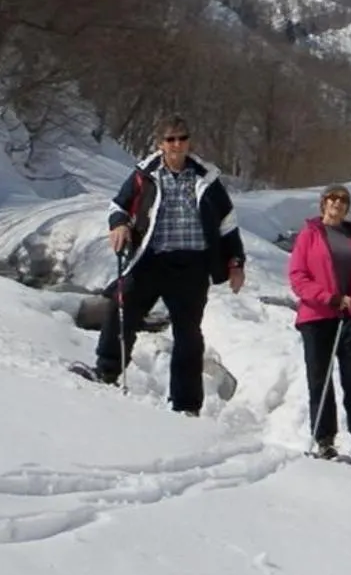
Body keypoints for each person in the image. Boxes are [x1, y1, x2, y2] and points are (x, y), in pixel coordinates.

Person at [93, 116, 245, 414]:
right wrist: (120, 224)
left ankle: (186, 405)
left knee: (188, 333)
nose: (177, 145)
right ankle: (106, 372)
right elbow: (118, 206)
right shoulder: (145, 174)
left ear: (189, 142)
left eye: (182, 138)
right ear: (160, 143)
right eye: (171, 139)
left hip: (192, 265)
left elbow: (228, 224)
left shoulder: (207, 178)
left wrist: (236, 263)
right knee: (121, 306)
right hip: (150, 258)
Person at [285, 185, 351, 461]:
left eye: (343, 200)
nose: (337, 203)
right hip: (317, 316)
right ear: (323, 204)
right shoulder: (309, 234)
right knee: (320, 380)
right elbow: (298, 278)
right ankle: (325, 441)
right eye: (332, 198)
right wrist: (330, 298)